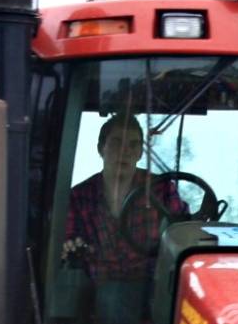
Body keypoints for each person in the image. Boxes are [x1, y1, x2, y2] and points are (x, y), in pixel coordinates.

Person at [61, 114, 189, 284]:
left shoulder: (162, 189)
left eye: (133, 145)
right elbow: (65, 243)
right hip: (96, 292)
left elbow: (183, 234)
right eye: (116, 143)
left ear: (140, 153)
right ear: (101, 148)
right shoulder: (78, 198)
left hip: (151, 292)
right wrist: (70, 245)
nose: (125, 151)